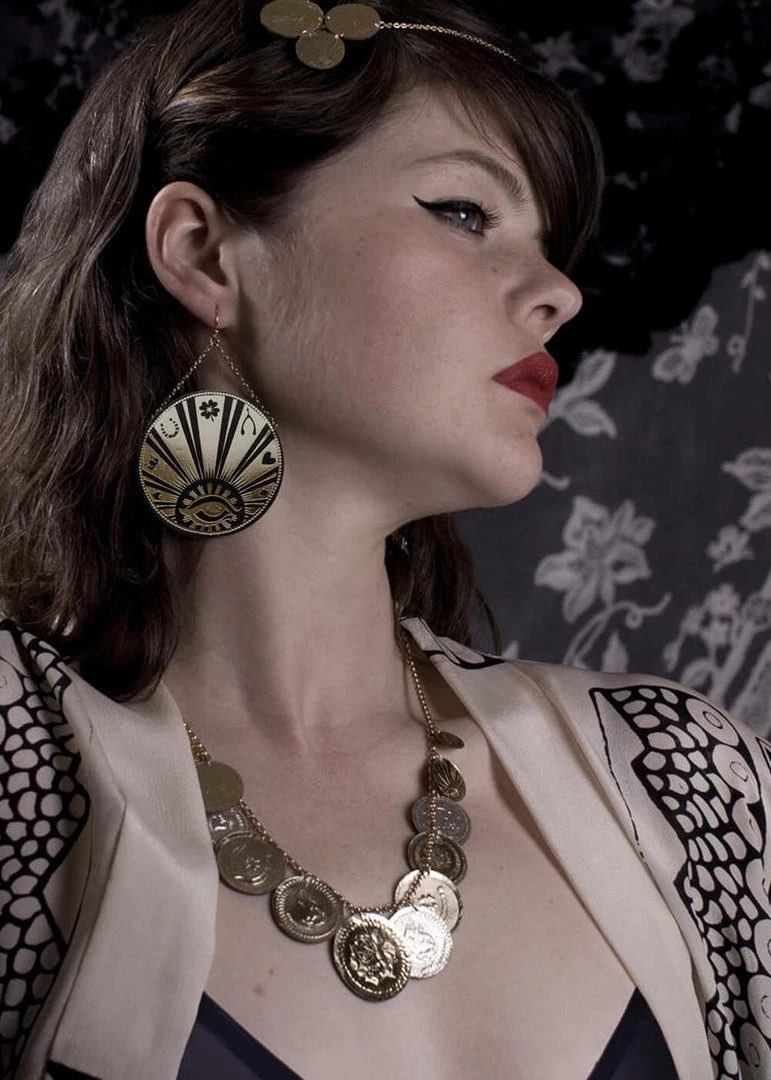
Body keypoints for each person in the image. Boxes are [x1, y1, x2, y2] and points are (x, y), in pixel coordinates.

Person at [0, 0, 768, 1077]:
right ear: (204, 254)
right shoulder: (18, 767)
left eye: (550, 246)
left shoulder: (687, 782)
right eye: (464, 212)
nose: (559, 292)